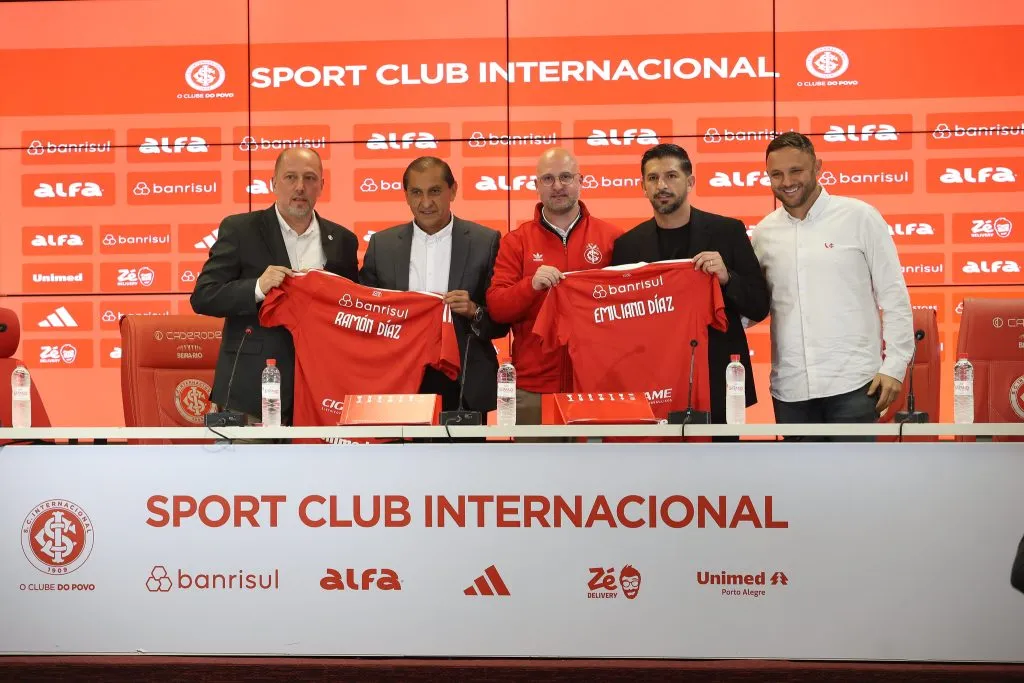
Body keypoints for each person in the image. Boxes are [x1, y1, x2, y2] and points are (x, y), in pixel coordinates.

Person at [751, 132, 913, 440]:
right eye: (776, 174)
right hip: (791, 391)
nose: (787, 181)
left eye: (796, 170)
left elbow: (893, 295)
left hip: (855, 384)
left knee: (854, 473)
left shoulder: (859, 217)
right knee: (798, 474)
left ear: (817, 167)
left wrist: (894, 366)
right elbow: (754, 307)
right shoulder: (763, 233)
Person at [190, 147, 359, 425]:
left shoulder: (343, 240)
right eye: (290, 177)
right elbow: (204, 296)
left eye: (309, 178)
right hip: (251, 390)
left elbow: (351, 312)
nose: (300, 187)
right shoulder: (240, 230)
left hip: (322, 392)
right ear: (273, 183)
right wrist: (257, 287)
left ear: (321, 186)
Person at [611, 143, 769, 433]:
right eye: (653, 178)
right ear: (643, 187)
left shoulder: (728, 232)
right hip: (653, 384)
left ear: (690, 181)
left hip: (716, 381)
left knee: (720, 463)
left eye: (671, 176)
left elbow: (759, 305)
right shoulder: (627, 246)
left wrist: (727, 278)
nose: (662, 185)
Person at [359, 156, 508, 415]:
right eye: (416, 192)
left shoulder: (485, 242)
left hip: (463, 384)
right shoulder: (381, 246)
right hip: (397, 380)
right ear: (406, 195)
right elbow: (363, 316)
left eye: (435, 191)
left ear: (453, 190)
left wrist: (473, 310)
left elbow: (501, 321)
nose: (426, 202)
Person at [486, 148, 622, 426]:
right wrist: (530, 286)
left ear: (581, 181)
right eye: (548, 179)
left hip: (598, 384)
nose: (558, 186)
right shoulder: (516, 241)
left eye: (566, 177)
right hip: (534, 388)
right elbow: (497, 308)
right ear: (536, 185)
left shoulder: (612, 239)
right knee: (536, 457)